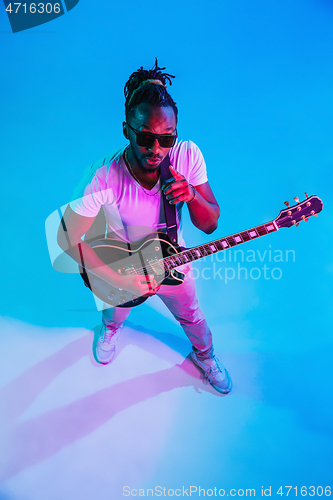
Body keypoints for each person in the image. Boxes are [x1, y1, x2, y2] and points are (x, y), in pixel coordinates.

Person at [57, 59, 232, 394]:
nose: (156, 149)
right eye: (146, 137)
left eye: (166, 139)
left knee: (192, 315)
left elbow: (210, 224)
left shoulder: (186, 155)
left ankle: (205, 356)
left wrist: (192, 195)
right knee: (115, 310)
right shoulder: (103, 175)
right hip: (124, 261)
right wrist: (113, 277)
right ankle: (109, 328)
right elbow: (69, 236)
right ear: (127, 130)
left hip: (172, 258)